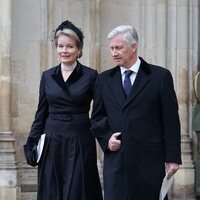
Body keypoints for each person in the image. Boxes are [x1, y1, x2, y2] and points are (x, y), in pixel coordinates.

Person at [91, 25, 182, 200]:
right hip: (117, 163)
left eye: (119, 48)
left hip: (149, 163)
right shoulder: (103, 80)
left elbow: (171, 121)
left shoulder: (160, 77)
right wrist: (107, 139)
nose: (114, 53)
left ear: (133, 47)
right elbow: (97, 118)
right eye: (111, 48)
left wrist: (173, 158)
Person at [23, 20, 103, 200]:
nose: (64, 51)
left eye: (69, 46)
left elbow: (99, 113)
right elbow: (41, 112)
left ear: (79, 49)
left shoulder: (91, 76)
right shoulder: (47, 76)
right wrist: (31, 143)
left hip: (80, 140)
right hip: (52, 140)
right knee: (52, 189)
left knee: (78, 190)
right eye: (60, 46)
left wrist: (107, 138)